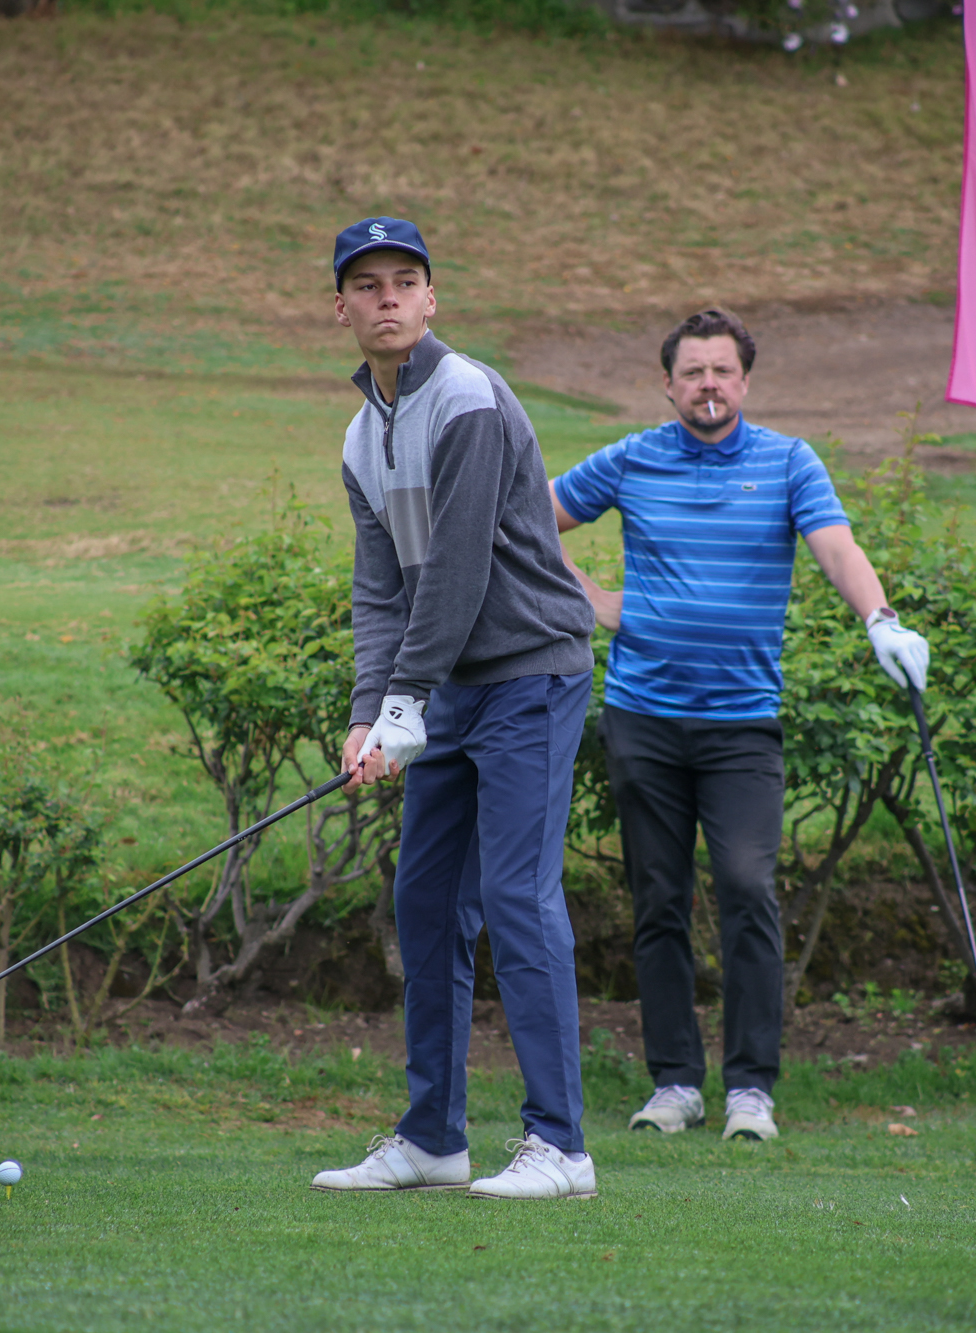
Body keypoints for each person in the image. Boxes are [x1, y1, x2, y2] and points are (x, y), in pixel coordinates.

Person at [550, 308, 930, 1141]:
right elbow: (529, 515)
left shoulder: (789, 461)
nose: (708, 385)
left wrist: (881, 620)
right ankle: (675, 1083)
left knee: (749, 889)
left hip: (742, 725)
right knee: (659, 899)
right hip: (644, 718)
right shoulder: (633, 458)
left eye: (722, 370)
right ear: (668, 384)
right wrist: (591, 598)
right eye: (693, 372)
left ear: (745, 381)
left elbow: (837, 548)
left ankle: (751, 1087)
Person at [308, 217, 603, 1200]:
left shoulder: (467, 397)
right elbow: (382, 588)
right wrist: (370, 711)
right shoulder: (360, 436)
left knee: (517, 895)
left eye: (405, 280)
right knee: (426, 901)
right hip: (448, 693)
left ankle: (561, 1146)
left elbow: (460, 569)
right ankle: (433, 1136)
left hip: (530, 674)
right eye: (367, 284)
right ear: (341, 307)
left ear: (431, 299)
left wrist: (405, 699)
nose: (387, 297)